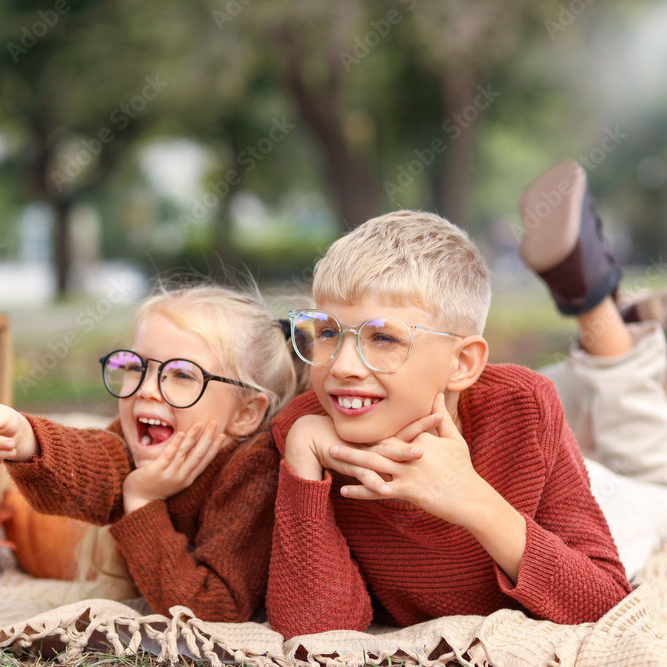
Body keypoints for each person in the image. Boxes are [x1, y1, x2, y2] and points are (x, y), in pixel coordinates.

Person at [266, 209, 632, 639]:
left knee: (637, 442)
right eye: (328, 333)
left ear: (461, 363)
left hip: (624, 508)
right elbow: (314, 630)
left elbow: (607, 603)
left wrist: (471, 497)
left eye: (383, 338)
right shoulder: (303, 431)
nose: (342, 367)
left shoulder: (524, 409)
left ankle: (598, 300)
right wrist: (302, 461)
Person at [0, 281, 302, 623]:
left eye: (181, 375)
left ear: (246, 413)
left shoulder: (257, 472)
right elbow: (93, 461)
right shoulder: (142, 441)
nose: (146, 389)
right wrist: (23, 439)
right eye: (135, 367)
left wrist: (143, 501)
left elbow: (212, 610)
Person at [518, 159, 667, 582]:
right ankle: (597, 296)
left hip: (543, 421)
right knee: (655, 490)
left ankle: (597, 295)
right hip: (566, 431)